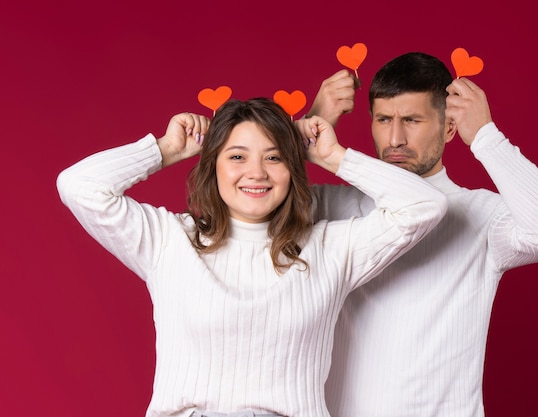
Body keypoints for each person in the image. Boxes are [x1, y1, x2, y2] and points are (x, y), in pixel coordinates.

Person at [56, 97, 447, 417]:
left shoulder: (331, 248)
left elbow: (425, 205)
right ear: (214, 166)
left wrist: (331, 156)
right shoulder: (169, 240)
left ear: (292, 170)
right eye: (238, 157)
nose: (256, 173)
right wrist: (166, 149)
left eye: (274, 157)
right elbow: (78, 186)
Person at [305, 52, 538, 417]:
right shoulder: (330, 205)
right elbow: (253, 211)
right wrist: (311, 125)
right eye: (384, 120)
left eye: (412, 120)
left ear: (448, 127)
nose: (395, 138)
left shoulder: (481, 215)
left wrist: (486, 137)